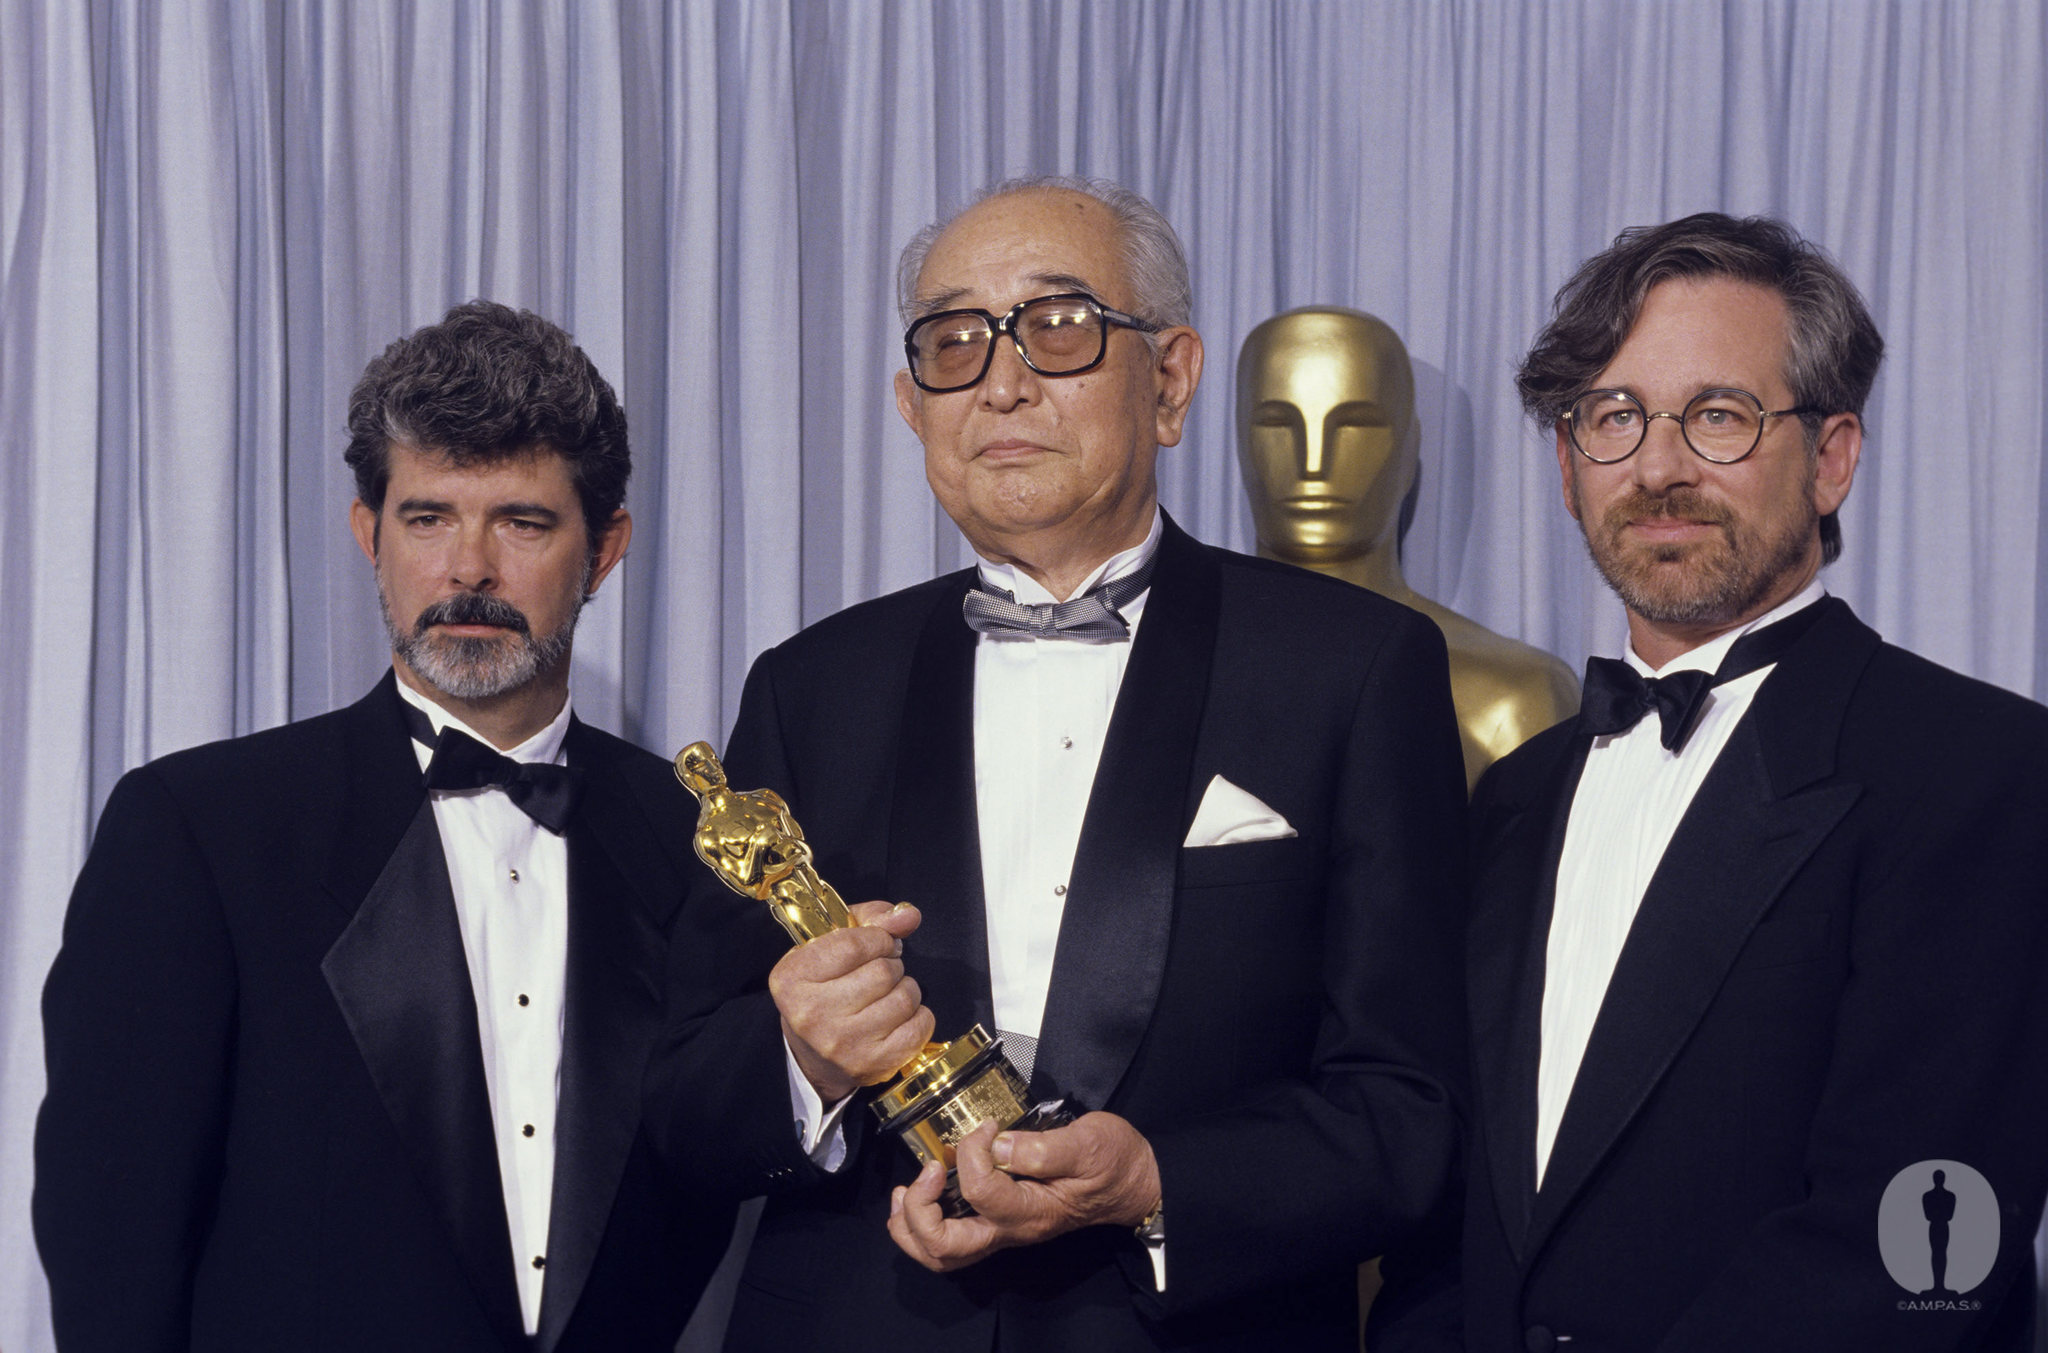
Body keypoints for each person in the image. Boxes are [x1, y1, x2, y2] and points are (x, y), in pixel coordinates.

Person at [652, 176, 1469, 1352]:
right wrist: (799, 1059)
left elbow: (1412, 1107)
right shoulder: (809, 684)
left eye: (1058, 325)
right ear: (910, 406)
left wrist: (1157, 1183)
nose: (1001, 381)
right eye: (952, 341)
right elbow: (682, 1105)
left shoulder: (1353, 666)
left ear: (1171, 380)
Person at [35, 301, 739, 1352]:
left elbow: (709, 1165)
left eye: (522, 521)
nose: (468, 568)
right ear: (369, 535)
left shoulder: (696, 838)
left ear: (605, 549)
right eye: (427, 517)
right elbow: (112, 1241)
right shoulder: (196, 829)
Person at [1405, 213, 2048, 1351]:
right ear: (1566, 469)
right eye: (1613, 418)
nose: (1657, 468)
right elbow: (1457, 1208)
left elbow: (1925, 1249)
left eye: (1716, 416)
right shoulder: (1516, 796)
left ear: (1830, 459)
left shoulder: (1983, 772)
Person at [1236, 306, 1579, 788]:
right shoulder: (1161, 673)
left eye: (1355, 425)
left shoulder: (1515, 696)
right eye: (1277, 424)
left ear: (1408, 447)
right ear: (1237, 439)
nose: (1313, 462)